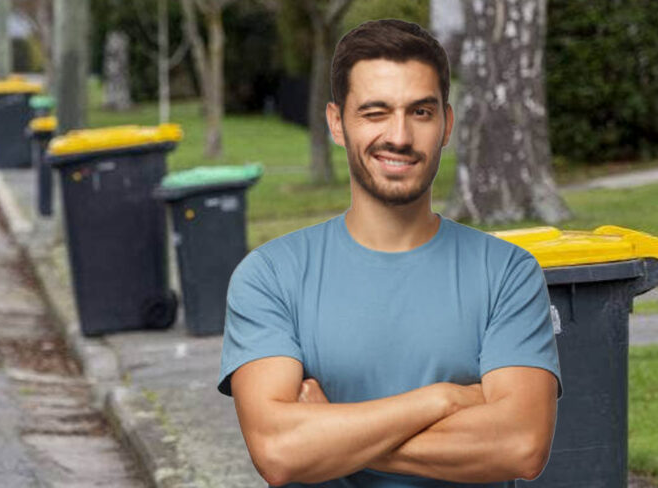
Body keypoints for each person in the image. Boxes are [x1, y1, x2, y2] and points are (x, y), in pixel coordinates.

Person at [217, 19, 562, 488]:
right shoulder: (271, 276)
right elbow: (278, 452)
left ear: (447, 124)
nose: (399, 136)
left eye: (420, 112)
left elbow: (521, 445)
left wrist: (332, 432)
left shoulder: (507, 273)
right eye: (375, 113)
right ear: (338, 123)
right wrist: (441, 400)